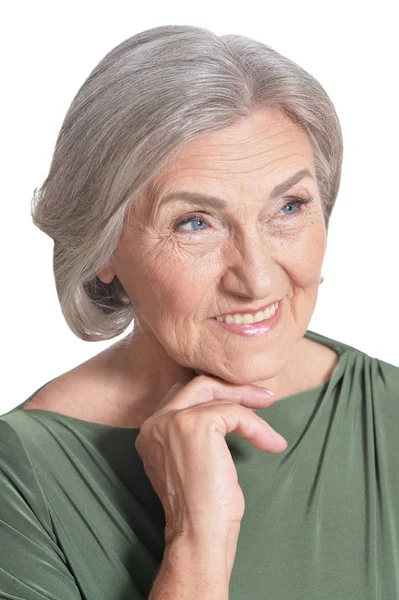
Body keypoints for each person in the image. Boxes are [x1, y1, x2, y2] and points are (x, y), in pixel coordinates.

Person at [1, 24, 398, 600]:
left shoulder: (387, 414)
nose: (257, 278)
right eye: (195, 222)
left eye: (289, 206)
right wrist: (196, 543)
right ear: (103, 246)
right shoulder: (20, 479)